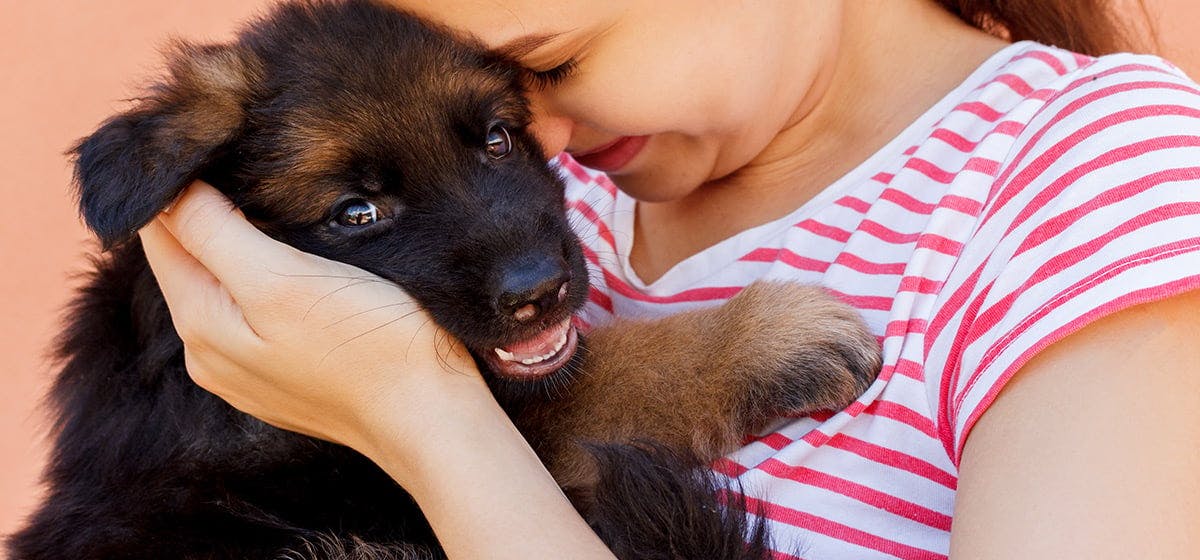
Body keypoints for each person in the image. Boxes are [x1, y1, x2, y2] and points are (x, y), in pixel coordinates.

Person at [136, 0, 1200, 558]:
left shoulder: (1095, 175)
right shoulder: (594, 202)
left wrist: (429, 415)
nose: (539, 146)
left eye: (544, 72)